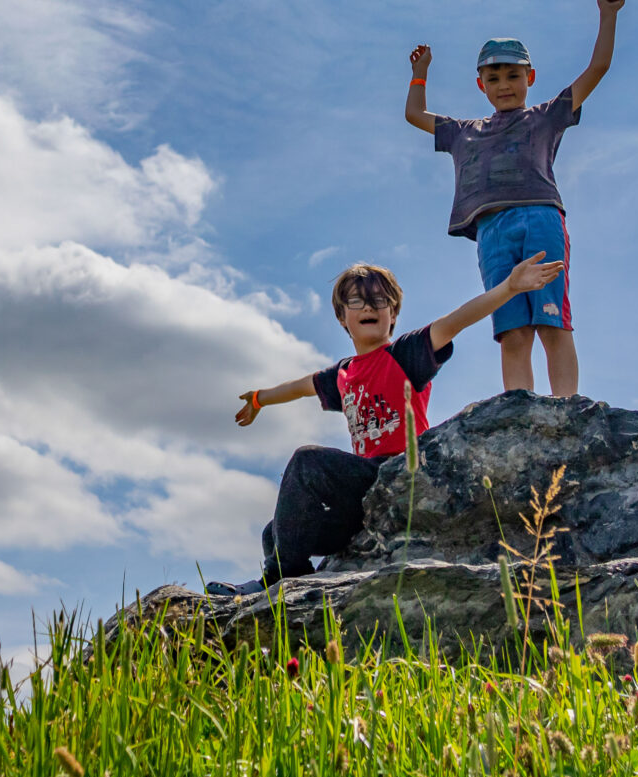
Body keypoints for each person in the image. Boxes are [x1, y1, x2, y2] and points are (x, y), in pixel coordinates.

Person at [206, 253, 563, 595]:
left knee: (306, 463)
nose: (369, 307)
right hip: (360, 501)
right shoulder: (343, 374)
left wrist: (510, 288)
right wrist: (258, 400)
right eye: (357, 302)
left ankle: (281, 579)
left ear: (393, 314)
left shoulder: (405, 354)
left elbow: (457, 320)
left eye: (379, 301)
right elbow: (298, 387)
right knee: (276, 532)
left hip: (398, 476)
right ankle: (299, 584)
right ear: (342, 317)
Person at [403, 0, 624, 399]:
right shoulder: (464, 132)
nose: (504, 85)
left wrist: (607, 16)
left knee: (551, 318)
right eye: (494, 78)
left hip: (539, 217)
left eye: (513, 76)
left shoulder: (545, 117)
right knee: (511, 330)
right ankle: (519, 409)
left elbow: (598, 67)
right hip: (491, 230)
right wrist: (420, 74)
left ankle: (566, 406)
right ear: (480, 84)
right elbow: (414, 114)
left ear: (530, 78)